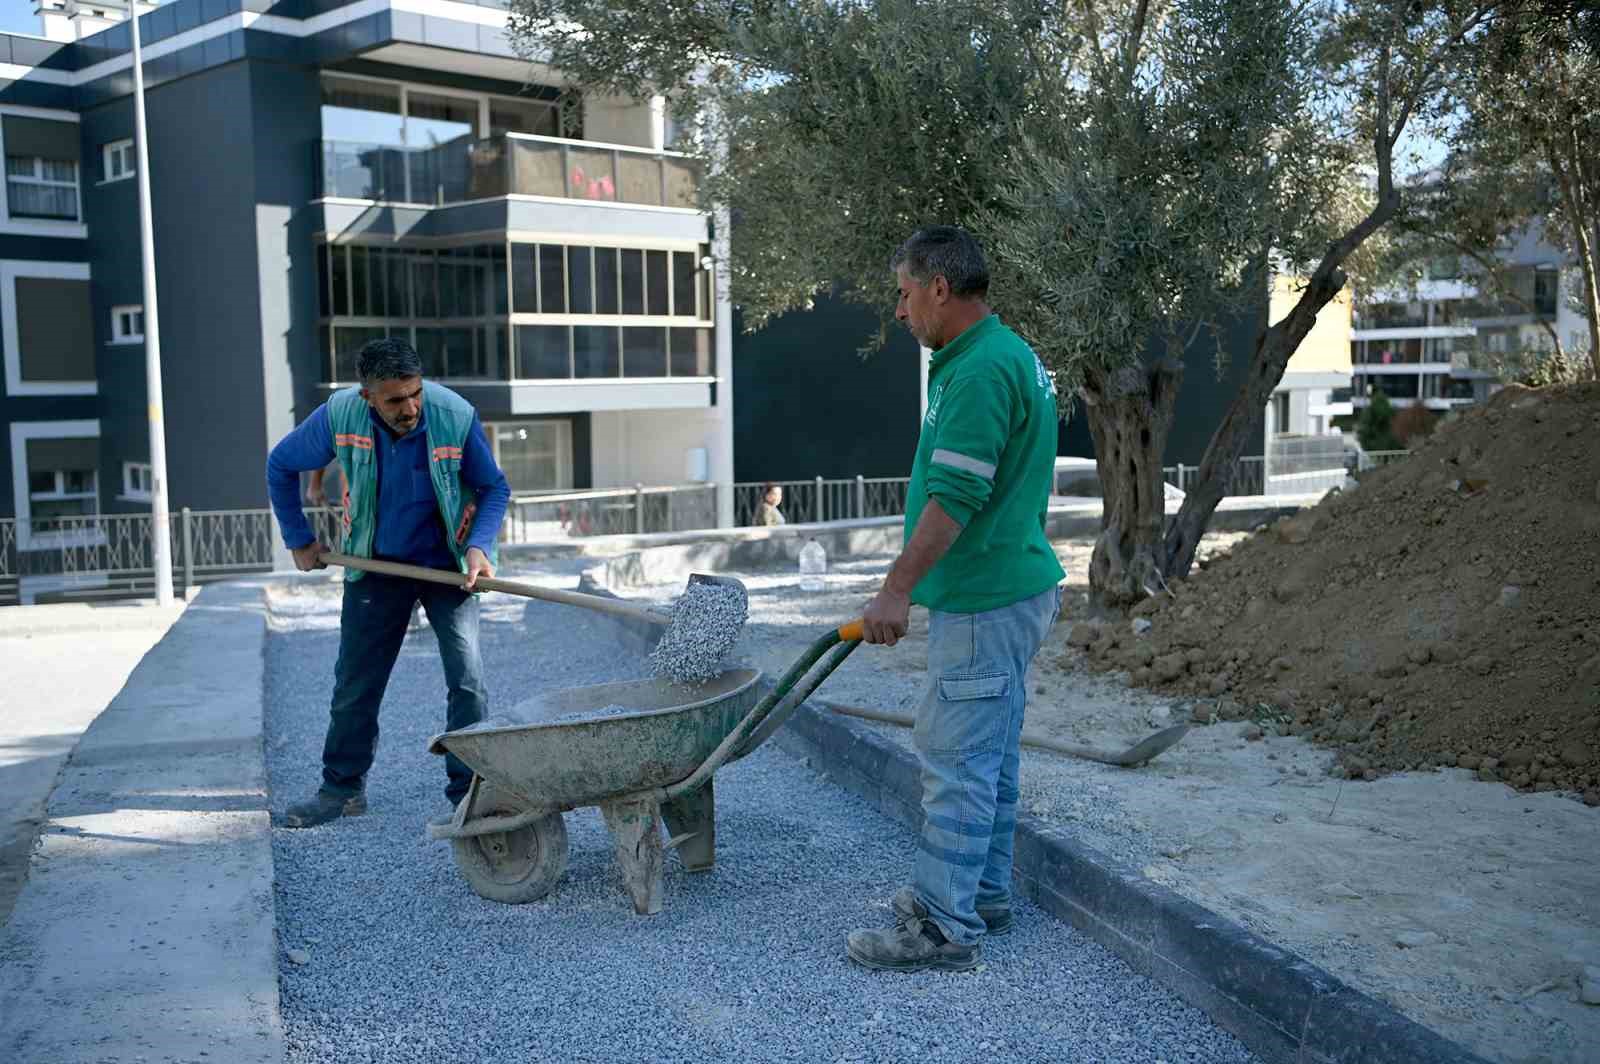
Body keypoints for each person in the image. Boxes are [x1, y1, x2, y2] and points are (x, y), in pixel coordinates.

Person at [846, 226, 1065, 973]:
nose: (900, 311)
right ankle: (983, 896)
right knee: (990, 758)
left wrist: (895, 590)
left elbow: (958, 495)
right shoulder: (1002, 356)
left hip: (984, 599)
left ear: (939, 288)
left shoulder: (977, 374)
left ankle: (944, 927)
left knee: (956, 760)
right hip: (1011, 590)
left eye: (905, 294)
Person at [265, 337, 511, 828]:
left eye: (415, 393)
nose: (410, 408)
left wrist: (480, 548)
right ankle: (342, 788)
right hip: (376, 566)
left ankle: (468, 790)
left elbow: (493, 487)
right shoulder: (340, 416)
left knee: (468, 681)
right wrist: (299, 538)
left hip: (450, 566)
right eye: (396, 399)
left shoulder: (453, 415)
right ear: (368, 396)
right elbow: (280, 465)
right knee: (356, 682)